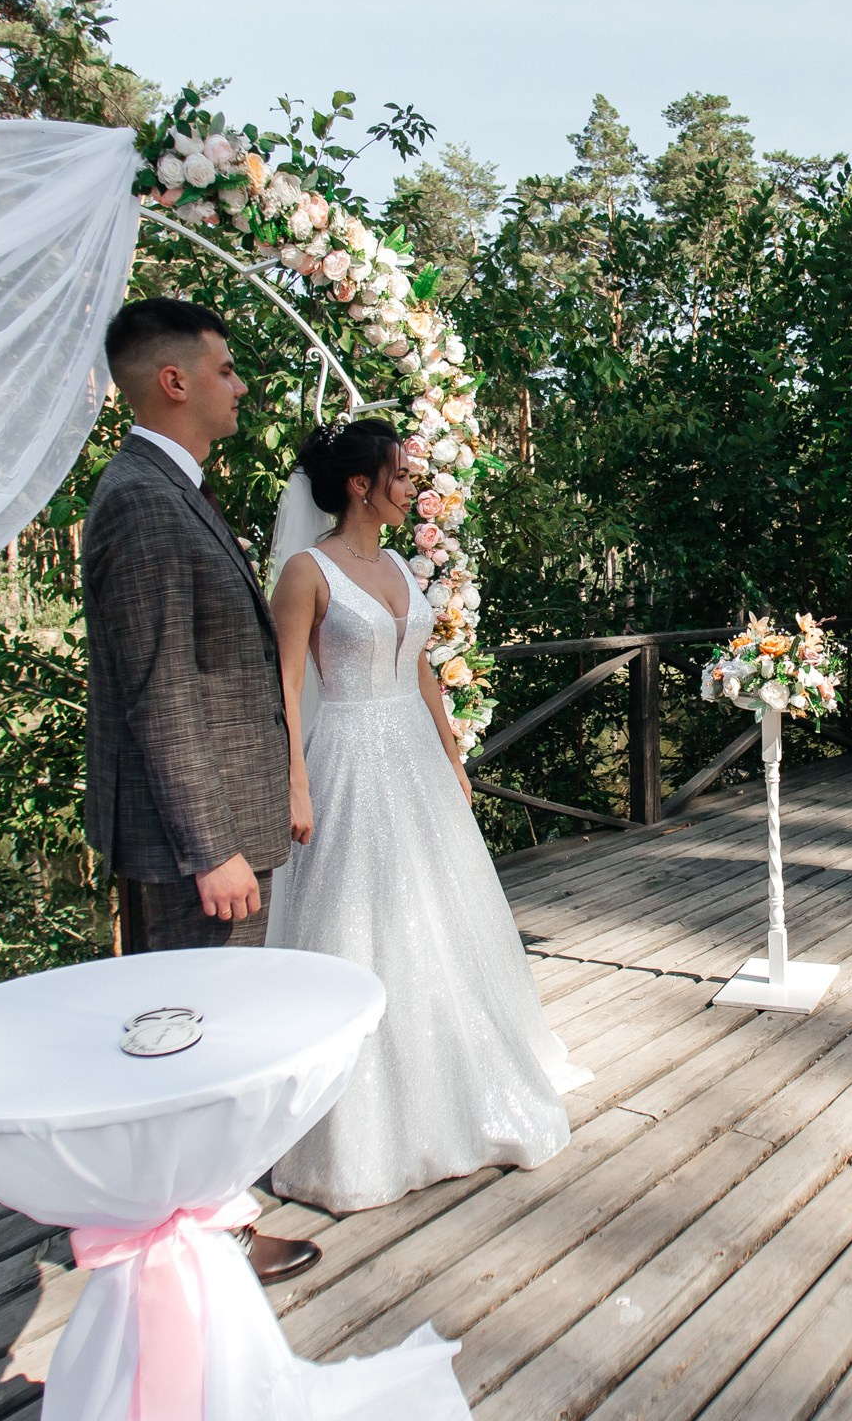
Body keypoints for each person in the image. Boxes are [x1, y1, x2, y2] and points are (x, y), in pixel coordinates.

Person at [262, 417, 589, 1213]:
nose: (413, 488)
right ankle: (361, 1129)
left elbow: (424, 668)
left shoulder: (404, 564)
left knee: (441, 917)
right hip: (345, 753)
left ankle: (458, 1083)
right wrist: (295, 783)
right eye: (401, 476)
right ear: (358, 485)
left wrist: (450, 753)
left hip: (413, 755)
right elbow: (285, 690)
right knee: (355, 921)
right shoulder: (306, 573)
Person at [80, 297, 318, 1284]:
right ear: (173, 380)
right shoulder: (139, 498)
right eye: (225, 368)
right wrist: (209, 844)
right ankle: (193, 1238)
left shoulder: (173, 488)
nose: (240, 384)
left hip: (213, 822)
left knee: (205, 1029)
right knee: (188, 1038)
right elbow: (158, 690)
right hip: (192, 841)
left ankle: (207, 1216)